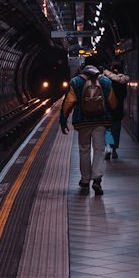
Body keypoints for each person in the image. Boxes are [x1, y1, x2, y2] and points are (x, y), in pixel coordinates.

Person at [59, 62, 117, 194]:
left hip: (82, 122)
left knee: (84, 150)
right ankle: (97, 179)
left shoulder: (75, 82)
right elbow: (112, 103)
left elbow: (67, 103)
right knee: (99, 150)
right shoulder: (105, 81)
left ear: (82, 70)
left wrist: (63, 121)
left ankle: (85, 180)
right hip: (101, 121)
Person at [104, 66, 128, 159]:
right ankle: (114, 151)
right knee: (116, 131)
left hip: (108, 109)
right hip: (118, 110)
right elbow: (124, 95)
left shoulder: (106, 80)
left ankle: (108, 149)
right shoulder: (123, 82)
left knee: (108, 131)